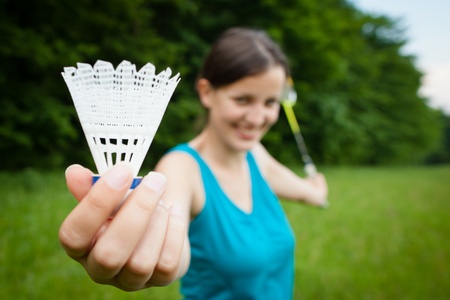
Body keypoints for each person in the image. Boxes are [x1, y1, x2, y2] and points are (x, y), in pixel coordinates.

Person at [59, 27, 328, 299]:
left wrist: (318, 189)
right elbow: (177, 254)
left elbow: (313, 195)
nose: (258, 118)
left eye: (270, 102)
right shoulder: (181, 168)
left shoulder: (255, 156)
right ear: (207, 92)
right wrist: (157, 256)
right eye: (243, 99)